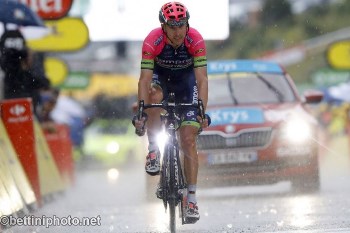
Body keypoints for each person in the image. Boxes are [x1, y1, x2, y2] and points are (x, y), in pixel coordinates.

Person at [132, 1, 209, 223]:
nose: (177, 32)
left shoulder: (195, 39)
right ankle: (154, 150)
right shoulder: (152, 40)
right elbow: (144, 80)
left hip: (187, 85)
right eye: (172, 26)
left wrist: (202, 109)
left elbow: (202, 79)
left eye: (181, 25)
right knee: (153, 96)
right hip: (160, 80)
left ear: (187, 24)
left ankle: (191, 198)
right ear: (163, 27)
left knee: (188, 140)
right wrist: (142, 112)